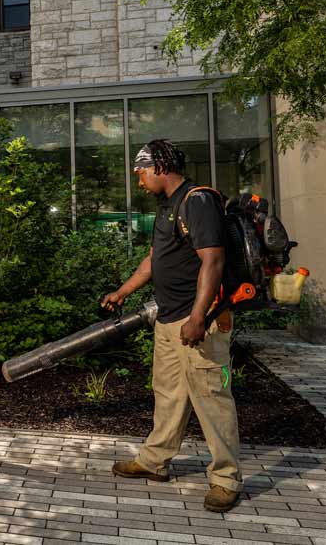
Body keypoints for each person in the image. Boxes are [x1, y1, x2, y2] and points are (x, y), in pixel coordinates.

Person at [101, 139, 242, 513]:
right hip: (168, 319)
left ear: (160, 167)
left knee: (213, 401)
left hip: (201, 321)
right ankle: (154, 461)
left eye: (142, 172)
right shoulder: (169, 207)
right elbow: (153, 260)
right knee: (167, 394)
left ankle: (226, 479)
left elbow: (212, 261)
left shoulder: (197, 201)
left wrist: (198, 317)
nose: (140, 180)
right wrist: (122, 291)